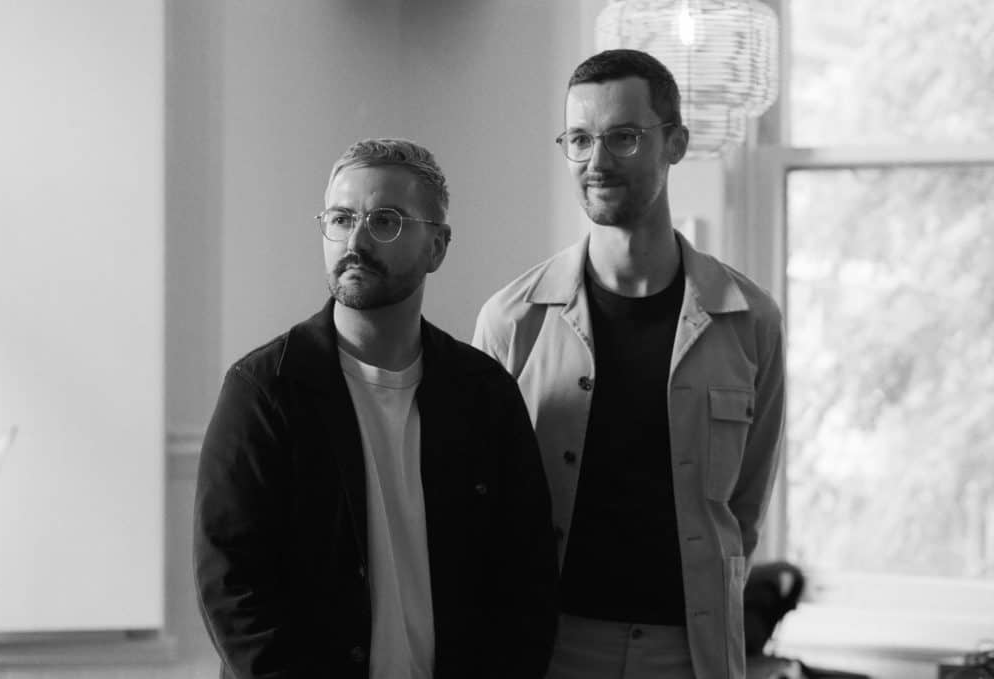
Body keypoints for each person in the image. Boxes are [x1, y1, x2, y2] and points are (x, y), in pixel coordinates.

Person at [473, 49, 786, 679]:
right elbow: (482, 505)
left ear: (675, 143)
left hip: (692, 653)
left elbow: (743, 510)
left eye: (623, 137)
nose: (597, 161)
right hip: (548, 648)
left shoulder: (750, 320)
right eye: (580, 139)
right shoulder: (511, 321)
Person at [195, 138, 558, 679]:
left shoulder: (484, 394)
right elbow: (231, 583)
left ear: (438, 246)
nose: (355, 240)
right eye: (340, 219)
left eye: (384, 220)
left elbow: (525, 575)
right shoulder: (265, 389)